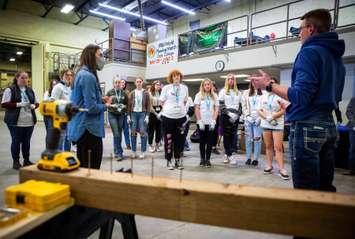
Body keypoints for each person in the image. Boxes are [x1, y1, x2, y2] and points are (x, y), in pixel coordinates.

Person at [250, 9, 345, 191]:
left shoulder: (309, 52)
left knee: (306, 191)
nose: (298, 34)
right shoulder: (335, 56)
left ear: (310, 29)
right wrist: (292, 105)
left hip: (308, 127)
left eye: (300, 29)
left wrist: (269, 85)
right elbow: (331, 96)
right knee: (324, 188)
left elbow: (302, 95)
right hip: (328, 125)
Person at [68, 44, 110, 169]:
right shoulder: (87, 76)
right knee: (91, 169)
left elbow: (82, 100)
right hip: (88, 130)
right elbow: (91, 108)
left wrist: (100, 99)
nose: (103, 58)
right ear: (91, 56)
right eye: (100, 55)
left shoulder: (81, 73)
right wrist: (106, 105)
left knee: (85, 167)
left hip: (83, 129)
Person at [1, 71, 39, 169]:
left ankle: (26, 160)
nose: (25, 80)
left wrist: (34, 106)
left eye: (26, 78)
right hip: (15, 122)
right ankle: (16, 162)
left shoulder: (31, 90)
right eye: (22, 77)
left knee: (27, 142)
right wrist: (19, 104)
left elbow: (37, 103)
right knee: (16, 141)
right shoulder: (10, 90)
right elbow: (4, 104)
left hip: (29, 121)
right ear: (17, 78)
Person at [258, 78, 289, 180]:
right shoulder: (263, 96)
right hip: (266, 123)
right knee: (268, 146)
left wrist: (273, 116)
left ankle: (281, 169)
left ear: (275, 85)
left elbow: (284, 109)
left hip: (277, 124)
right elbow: (259, 110)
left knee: (278, 147)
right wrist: (267, 117)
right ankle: (269, 166)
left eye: (272, 83)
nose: (270, 85)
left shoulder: (280, 96)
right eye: (269, 83)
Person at [160, 69, 188, 170]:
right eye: (174, 76)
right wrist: (168, 110)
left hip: (181, 118)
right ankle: (169, 160)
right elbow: (161, 102)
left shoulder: (184, 88)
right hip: (168, 118)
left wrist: (181, 110)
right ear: (171, 78)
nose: (176, 77)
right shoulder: (166, 88)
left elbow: (185, 102)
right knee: (169, 140)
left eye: (178, 76)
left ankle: (177, 159)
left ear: (180, 77)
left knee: (180, 140)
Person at [218, 73, 242, 165]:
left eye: (232, 79)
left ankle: (227, 154)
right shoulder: (223, 91)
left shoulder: (238, 93)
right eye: (229, 79)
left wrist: (237, 115)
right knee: (226, 136)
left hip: (235, 117)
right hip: (226, 116)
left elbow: (240, 106)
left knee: (233, 136)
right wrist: (228, 114)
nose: (231, 80)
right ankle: (230, 155)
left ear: (234, 81)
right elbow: (221, 105)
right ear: (227, 81)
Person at [194, 78, 219, 168]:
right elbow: (197, 108)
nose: (207, 86)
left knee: (209, 142)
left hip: (211, 122)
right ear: (203, 86)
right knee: (202, 141)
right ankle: (202, 159)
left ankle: (208, 160)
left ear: (211, 86)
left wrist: (214, 120)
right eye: (205, 84)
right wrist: (199, 120)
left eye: (209, 84)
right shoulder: (199, 95)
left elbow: (216, 109)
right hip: (201, 122)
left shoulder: (214, 96)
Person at [51, 69, 74, 151]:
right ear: (61, 76)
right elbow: (53, 103)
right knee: (61, 139)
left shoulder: (71, 88)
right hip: (60, 118)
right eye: (66, 75)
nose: (69, 77)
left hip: (70, 118)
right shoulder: (58, 87)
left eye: (71, 75)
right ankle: (59, 157)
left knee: (69, 138)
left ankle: (66, 154)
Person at [127, 77, 150, 159]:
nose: (139, 83)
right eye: (137, 82)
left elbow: (148, 105)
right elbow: (129, 105)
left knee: (142, 132)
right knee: (133, 132)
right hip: (133, 113)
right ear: (135, 83)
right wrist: (128, 116)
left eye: (140, 81)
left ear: (142, 82)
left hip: (142, 113)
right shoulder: (132, 93)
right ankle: (133, 151)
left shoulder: (146, 93)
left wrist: (147, 116)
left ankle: (143, 152)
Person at [106, 77, 128, 161]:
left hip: (121, 115)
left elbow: (127, 104)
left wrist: (124, 106)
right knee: (116, 133)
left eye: (119, 82)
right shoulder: (110, 92)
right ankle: (120, 153)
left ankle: (116, 151)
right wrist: (111, 105)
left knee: (118, 133)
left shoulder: (124, 93)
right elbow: (106, 103)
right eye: (116, 82)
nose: (118, 84)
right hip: (112, 115)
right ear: (113, 83)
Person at [242, 80, 262, 166]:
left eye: (257, 81)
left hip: (258, 119)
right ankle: (248, 157)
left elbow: (264, 106)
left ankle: (256, 158)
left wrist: (260, 118)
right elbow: (244, 106)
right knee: (248, 139)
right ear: (251, 83)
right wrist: (247, 116)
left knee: (257, 139)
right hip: (248, 119)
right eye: (253, 82)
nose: (255, 83)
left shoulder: (263, 93)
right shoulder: (246, 93)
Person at [43, 78, 58, 147]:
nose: (54, 86)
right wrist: (52, 99)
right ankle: (48, 148)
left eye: (56, 84)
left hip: (57, 115)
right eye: (53, 85)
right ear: (51, 85)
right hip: (48, 116)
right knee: (49, 133)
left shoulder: (59, 91)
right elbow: (45, 101)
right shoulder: (47, 92)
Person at [148, 80, 162, 153]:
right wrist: (156, 114)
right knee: (151, 130)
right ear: (153, 85)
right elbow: (149, 106)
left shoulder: (161, 93)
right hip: (152, 113)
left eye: (159, 85)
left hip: (160, 112)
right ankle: (150, 145)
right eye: (157, 84)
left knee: (159, 130)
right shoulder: (150, 93)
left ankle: (157, 145)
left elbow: (163, 104)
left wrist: (161, 113)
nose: (158, 86)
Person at [345, 97, 355, 175]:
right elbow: (348, 111)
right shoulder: (353, 99)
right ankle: (352, 170)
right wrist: (353, 123)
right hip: (353, 128)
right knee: (353, 149)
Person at [120, 79, 131, 150]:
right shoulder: (116, 91)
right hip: (118, 114)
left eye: (124, 82)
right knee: (119, 131)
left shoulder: (127, 92)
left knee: (126, 130)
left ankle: (128, 144)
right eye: (122, 82)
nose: (123, 83)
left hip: (125, 114)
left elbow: (129, 103)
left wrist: (128, 114)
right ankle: (119, 145)